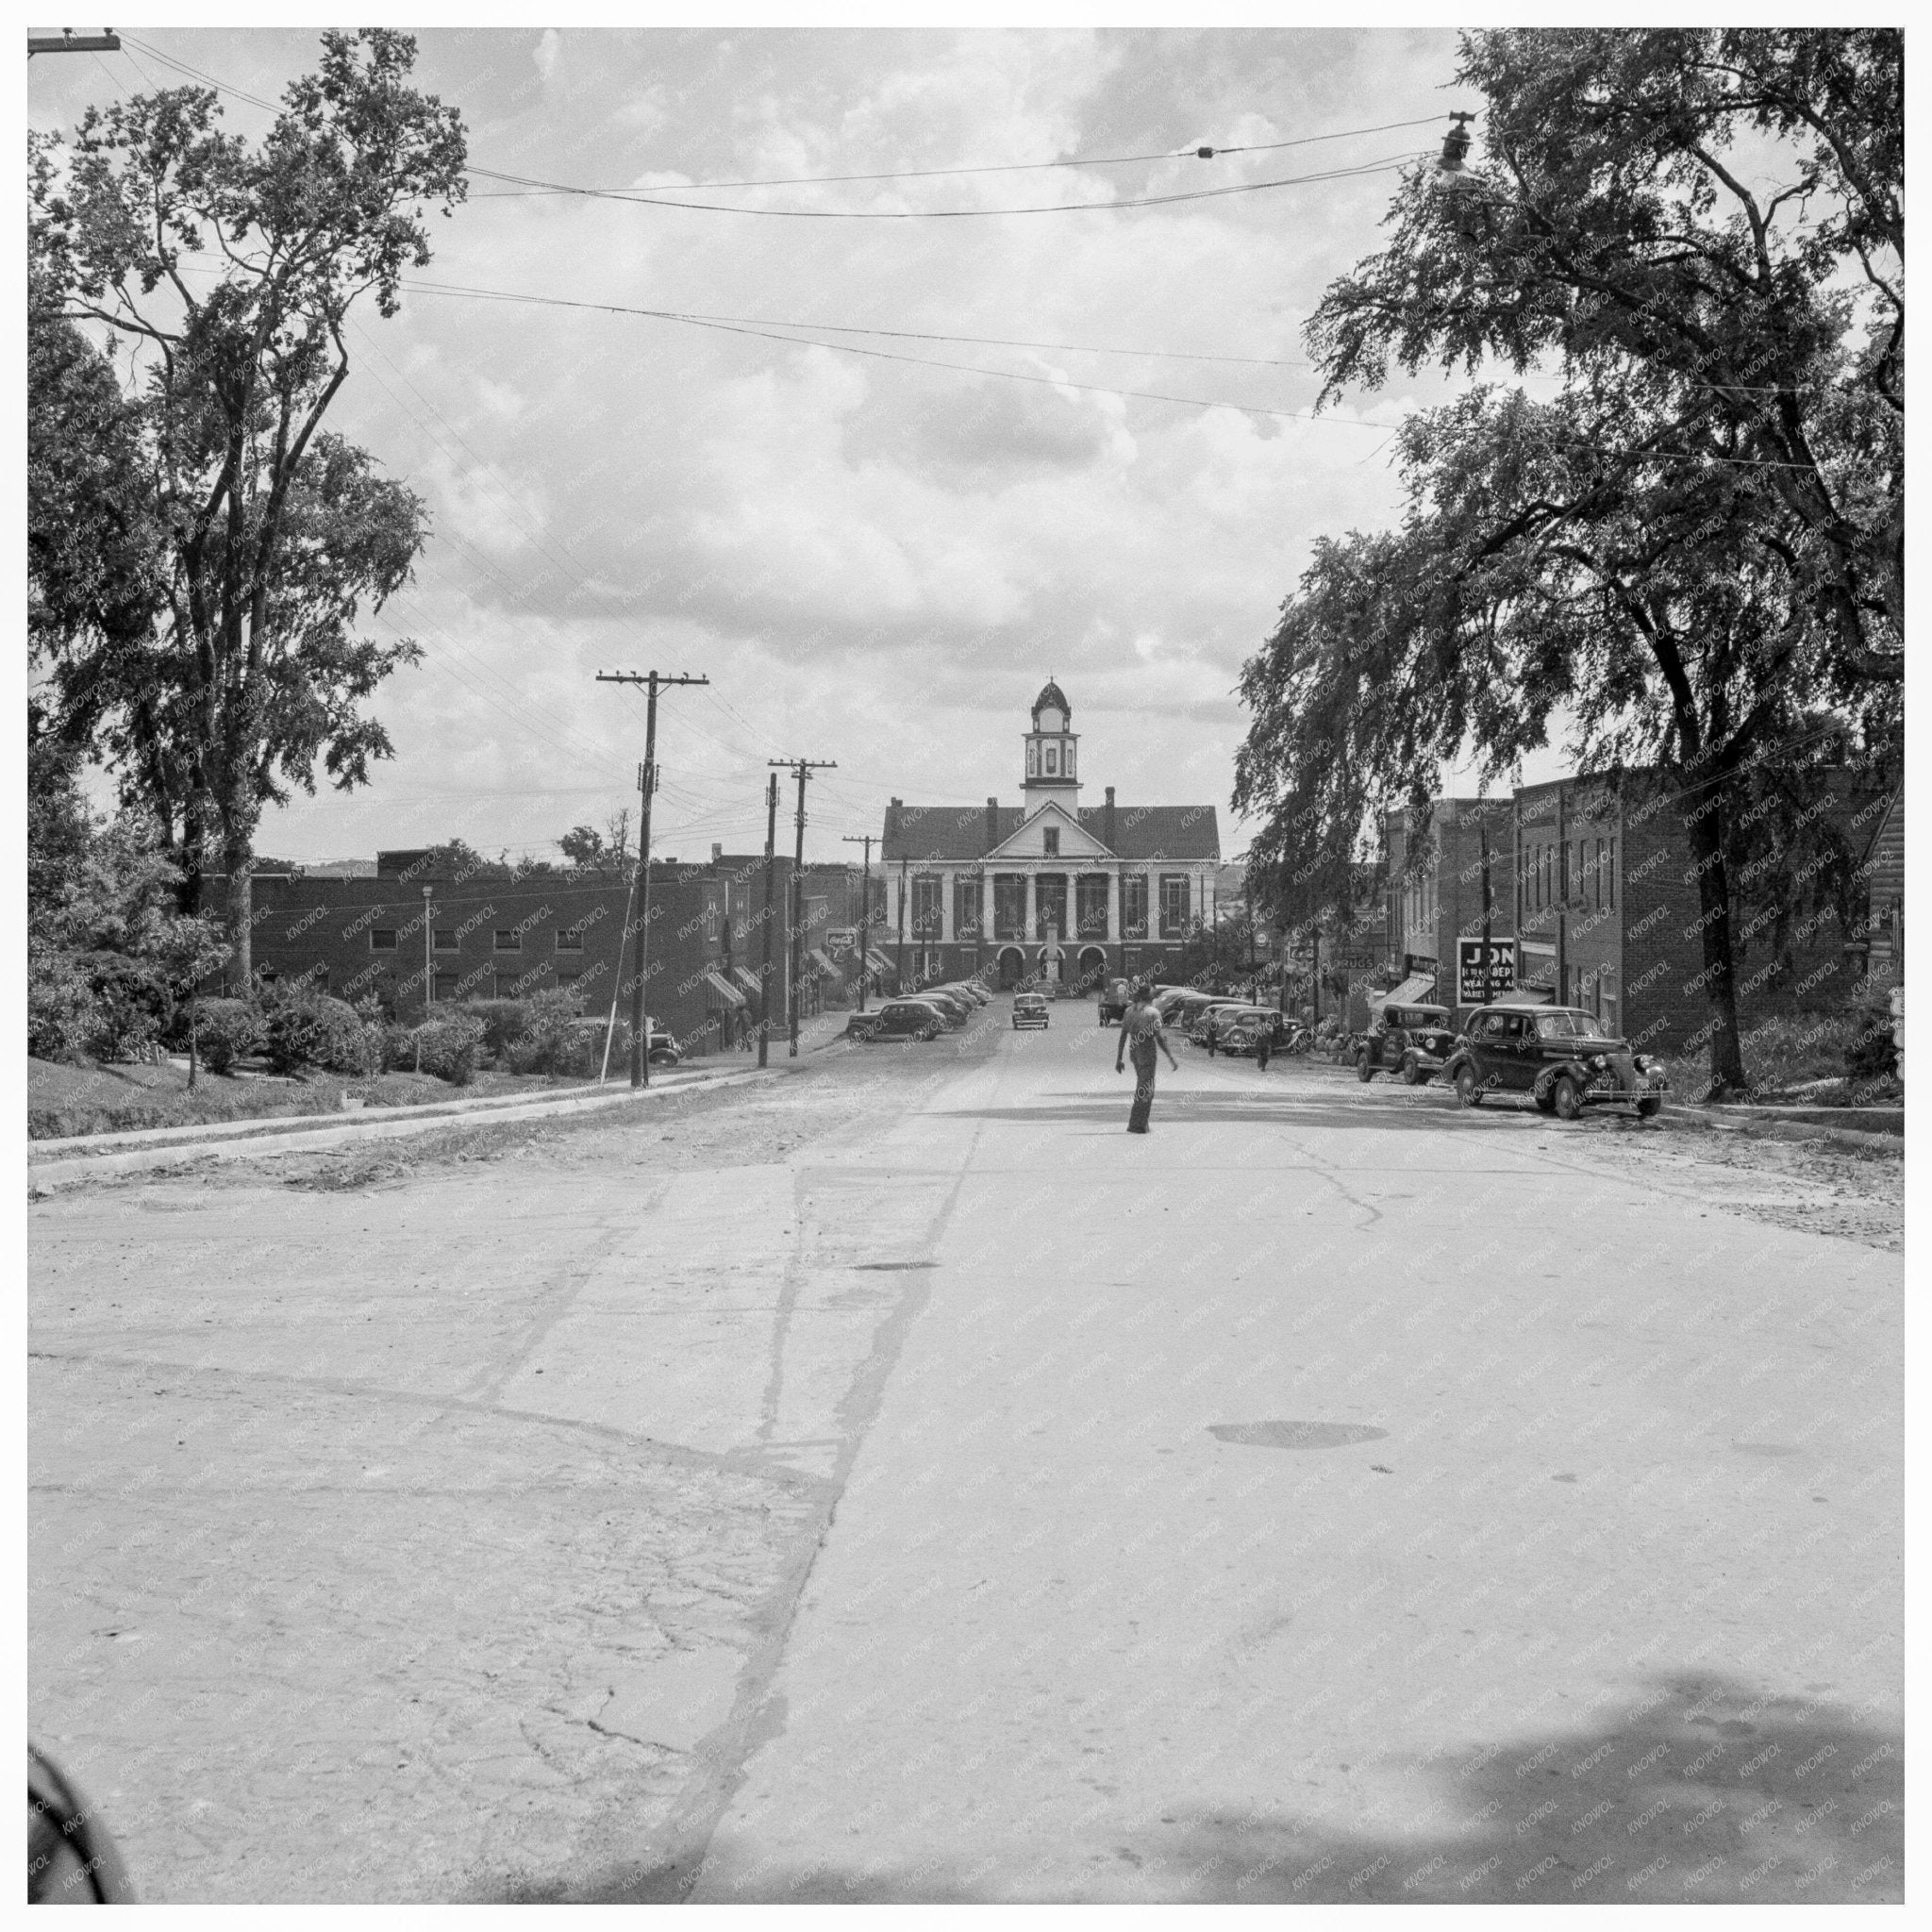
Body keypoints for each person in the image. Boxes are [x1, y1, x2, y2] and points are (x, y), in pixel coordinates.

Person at [1116, 981, 1178, 1133]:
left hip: (1134, 1051)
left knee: (1142, 1085)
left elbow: (1123, 1035)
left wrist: (1119, 1058)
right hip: (1147, 1050)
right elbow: (1159, 1038)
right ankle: (1138, 1124)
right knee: (1146, 1088)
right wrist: (1170, 1057)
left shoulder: (1129, 1011)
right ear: (1149, 996)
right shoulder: (1152, 1013)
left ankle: (1140, 1123)